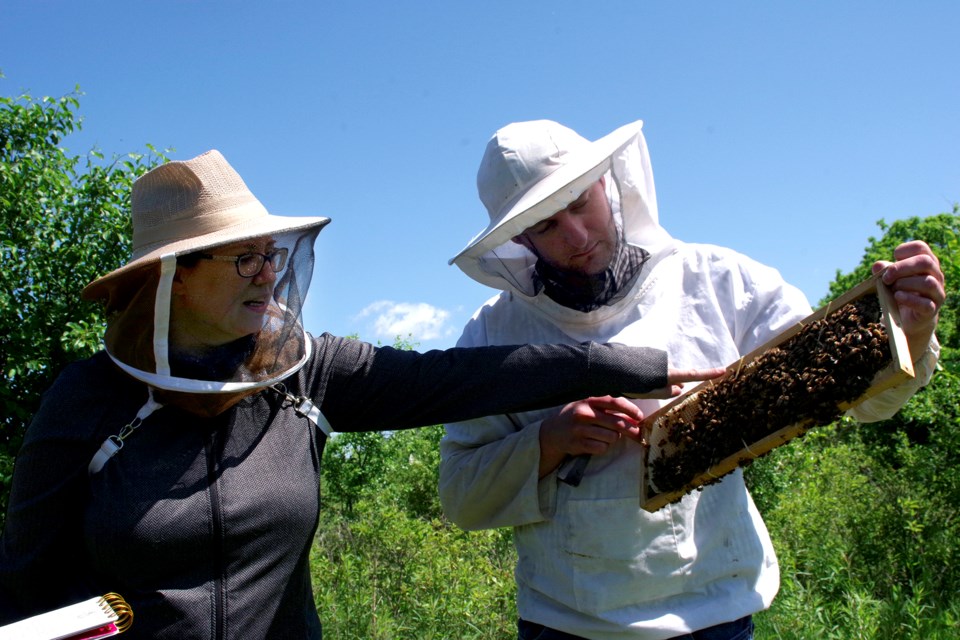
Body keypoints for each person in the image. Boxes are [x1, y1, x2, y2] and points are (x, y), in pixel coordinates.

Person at [0, 150, 723, 639]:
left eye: (273, 256)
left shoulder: (308, 375)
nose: (268, 275)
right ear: (174, 277)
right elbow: (29, 578)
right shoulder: (89, 401)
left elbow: (455, 379)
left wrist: (628, 364)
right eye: (244, 257)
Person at [439, 119, 945, 640]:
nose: (578, 235)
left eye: (578, 203)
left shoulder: (720, 282)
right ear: (520, 238)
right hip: (565, 623)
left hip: (713, 614)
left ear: (607, 182)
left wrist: (910, 330)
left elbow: (863, 401)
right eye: (546, 225)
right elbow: (460, 495)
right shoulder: (491, 334)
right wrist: (548, 442)